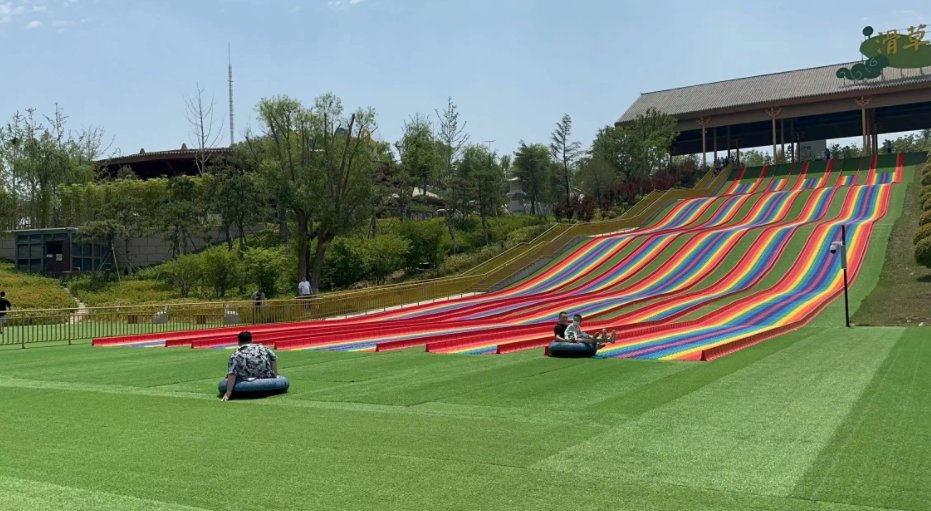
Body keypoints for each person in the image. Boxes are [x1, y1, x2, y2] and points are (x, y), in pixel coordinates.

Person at [221, 331, 279, 401]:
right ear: (251, 340)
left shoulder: (236, 354)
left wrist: (228, 391)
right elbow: (273, 357)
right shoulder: (263, 347)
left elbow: (232, 372)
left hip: (246, 377)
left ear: (239, 342)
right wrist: (275, 374)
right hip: (265, 375)